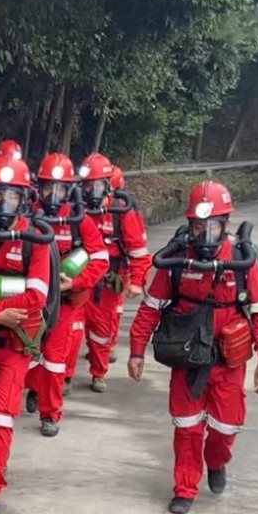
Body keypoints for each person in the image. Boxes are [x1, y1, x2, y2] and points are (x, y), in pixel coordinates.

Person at [127, 181, 258, 513]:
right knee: (187, 427)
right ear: (190, 225)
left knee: (226, 427)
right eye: (199, 226)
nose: (206, 234)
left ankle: (216, 461)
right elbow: (151, 308)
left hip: (227, 363)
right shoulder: (176, 260)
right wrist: (137, 350)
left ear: (226, 224)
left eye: (213, 226)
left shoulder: (242, 260)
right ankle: (185, 488)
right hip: (187, 358)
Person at [0, 152, 52, 514]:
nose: (4, 203)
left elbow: (37, 297)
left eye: (12, 195)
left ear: (24, 199)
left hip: (18, 344)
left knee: (2, 412)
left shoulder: (36, 240)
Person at [25, 152, 108, 436]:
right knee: (29, 351)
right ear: (39, 187)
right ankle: (34, 388)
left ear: (70, 190)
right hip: (32, 299)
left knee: (54, 359)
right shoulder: (27, 215)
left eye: (60, 189)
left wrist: (75, 282)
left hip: (65, 302)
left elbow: (100, 259)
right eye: (48, 187)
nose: (53, 195)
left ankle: (50, 414)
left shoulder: (78, 220)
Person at [80, 154, 151, 392]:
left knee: (101, 330)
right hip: (77, 278)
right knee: (69, 330)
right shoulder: (76, 209)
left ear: (108, 185)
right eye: (88, 185)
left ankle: (98, 372)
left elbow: (139, 250)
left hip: (108, 281)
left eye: (98, 185)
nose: (92, 191)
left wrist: (137, 281)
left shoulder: (121, 212)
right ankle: (63, 377)